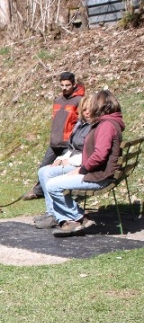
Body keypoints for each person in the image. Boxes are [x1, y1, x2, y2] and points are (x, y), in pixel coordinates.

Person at [36, 89, 125, 237]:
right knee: (48, 175)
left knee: (53, 185)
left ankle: (79, 218)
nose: (91, 108)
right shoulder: (108, 123)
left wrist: (81, 169)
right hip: (98, 172)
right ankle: (67, 218)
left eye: (94, 104)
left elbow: (99, 155)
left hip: (98, 176)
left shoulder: (106, 126)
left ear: (102, 106)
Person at [33, 93, 94, 229]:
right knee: (43, 170)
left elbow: (88, 154)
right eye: (84, 109)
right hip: (73, 160)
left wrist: (69, 162)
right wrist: (60, 159)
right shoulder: (80, 125)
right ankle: (52, 213)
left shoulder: (94, 128)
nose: (87, 112)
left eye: (90, 109)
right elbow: (71, 147)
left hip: (81, 166)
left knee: (48, 174)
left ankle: (56, 215)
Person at [24, 71, 86, 200]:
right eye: (62, 85)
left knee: (65, 169)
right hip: (54, 142)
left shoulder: (80, 101)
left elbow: (82, 122)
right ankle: (39, 191)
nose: (64, 88)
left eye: (67, 85)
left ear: (74, 84)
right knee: (44, 167)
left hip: (68, 144)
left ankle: (67, 193)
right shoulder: (58, 100)